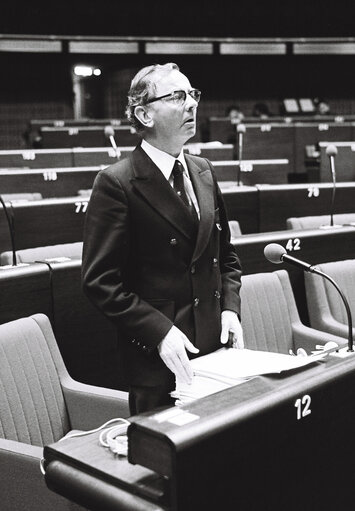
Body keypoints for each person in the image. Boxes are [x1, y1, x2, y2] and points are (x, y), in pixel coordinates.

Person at [82, 63, 244, 415]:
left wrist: (230, 308)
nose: (191, 104)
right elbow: (100, 282)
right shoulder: (117, 183)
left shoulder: (203, 170)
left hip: (216, 353)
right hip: (160, 362)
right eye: (177, 96)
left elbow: (225, 255)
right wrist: (158, 332)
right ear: (144, 114)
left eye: (193, 94)